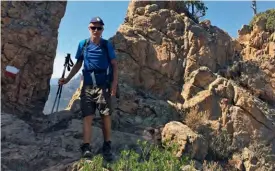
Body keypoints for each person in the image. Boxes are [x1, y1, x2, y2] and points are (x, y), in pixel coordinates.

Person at [58, 16, 118, 161]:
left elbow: (115, 65)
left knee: (105, 115)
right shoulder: (83, 44)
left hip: (103, 85)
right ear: (89, 28)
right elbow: (78, 64)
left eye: (99, 28)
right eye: (93, 27)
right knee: (87, 116)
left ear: (102, 30)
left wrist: (114, 85)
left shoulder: (106, 45)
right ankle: (86, 147)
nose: (96, 30)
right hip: (87, 86)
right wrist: (67, 79)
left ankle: (107, 146)